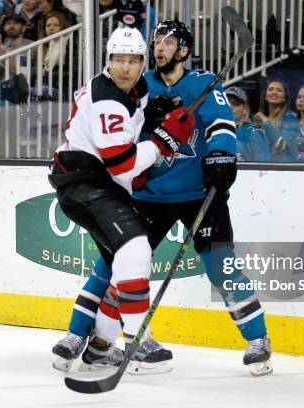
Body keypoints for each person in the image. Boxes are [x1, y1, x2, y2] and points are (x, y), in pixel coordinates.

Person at [52, 20, 273, 377]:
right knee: (113, 265)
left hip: (200, 193)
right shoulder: (140, 86)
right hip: (150, 194)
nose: (159, 48)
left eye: (168, 42)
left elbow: (222, 125)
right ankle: (81, 336)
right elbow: (120, 135)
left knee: (221, 265)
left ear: (184, 50)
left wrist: (220, 157)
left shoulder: (204, 83)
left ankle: (258, 340)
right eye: (156, 42)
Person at [48, 25, 194, 370]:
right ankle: (137, 340)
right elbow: (121, 163)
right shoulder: (108, 101)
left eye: (132, 60)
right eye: (117, 60)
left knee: (123, 266)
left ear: (142, 63)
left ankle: (99, 347)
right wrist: (162, 141)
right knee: (136, 248)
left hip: (96, 184)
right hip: (86, 184)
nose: (124, 67)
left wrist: (154, 113)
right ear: (107, 61)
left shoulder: (135, 87)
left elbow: (137, 112)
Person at [254, 77, 301, 162]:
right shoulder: (258, 120)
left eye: (279, 90)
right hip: (262, 168)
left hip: (284, 169)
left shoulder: (291, 118)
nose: (274, 93)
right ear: (265, 96)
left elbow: (281, 145)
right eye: (271, 89)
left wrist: (266, 122)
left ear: (284, 98)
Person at [225, 85, 269, 161]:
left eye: (236, 104)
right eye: (226, 103)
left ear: (245, 108)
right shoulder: (214, 131)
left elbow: (262, 169)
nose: (230, 107)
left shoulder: (254, 132)